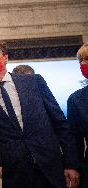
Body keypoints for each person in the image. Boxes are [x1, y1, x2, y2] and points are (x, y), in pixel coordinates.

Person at [0, 36, 80, 188]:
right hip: (16, 177)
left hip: (51, 169)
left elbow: (60, 123)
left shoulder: (34, 82)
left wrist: (71, 164)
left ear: (5, 57)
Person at [67, 42, 88, 188]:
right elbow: (75, 140)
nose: (83, 64)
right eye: (81, 60)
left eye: (87, 59)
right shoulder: (76, 99)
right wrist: (73, 167)